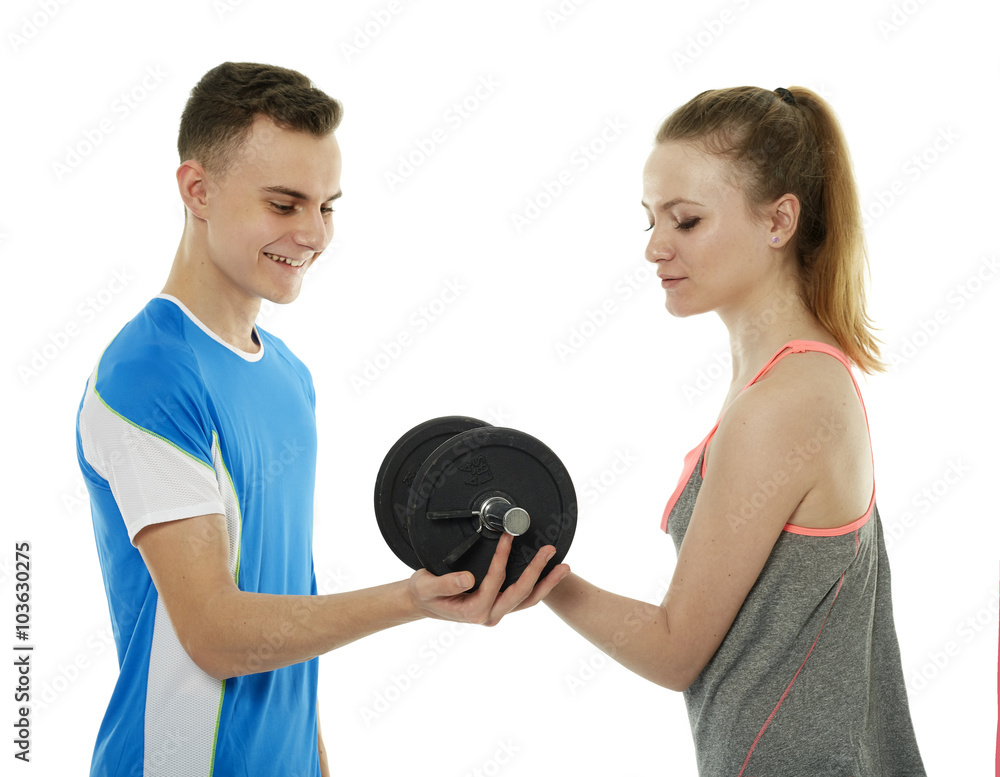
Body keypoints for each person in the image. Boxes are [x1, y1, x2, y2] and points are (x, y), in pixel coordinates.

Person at [75, 61, 568, 777]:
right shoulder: (148, 376)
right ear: (197, 189)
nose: (313, 234)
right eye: (284, 204)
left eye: (326, 205)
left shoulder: (286, 376)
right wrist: (409, 600)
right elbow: (215, 633)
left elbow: (283, 605)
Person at [519, 86, 927, 775]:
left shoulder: (785, 401)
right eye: (649, 220)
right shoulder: (784, 382)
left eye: (686, 221)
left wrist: (537, 572)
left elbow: (675, 648)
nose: (654, 247)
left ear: (779, 221)